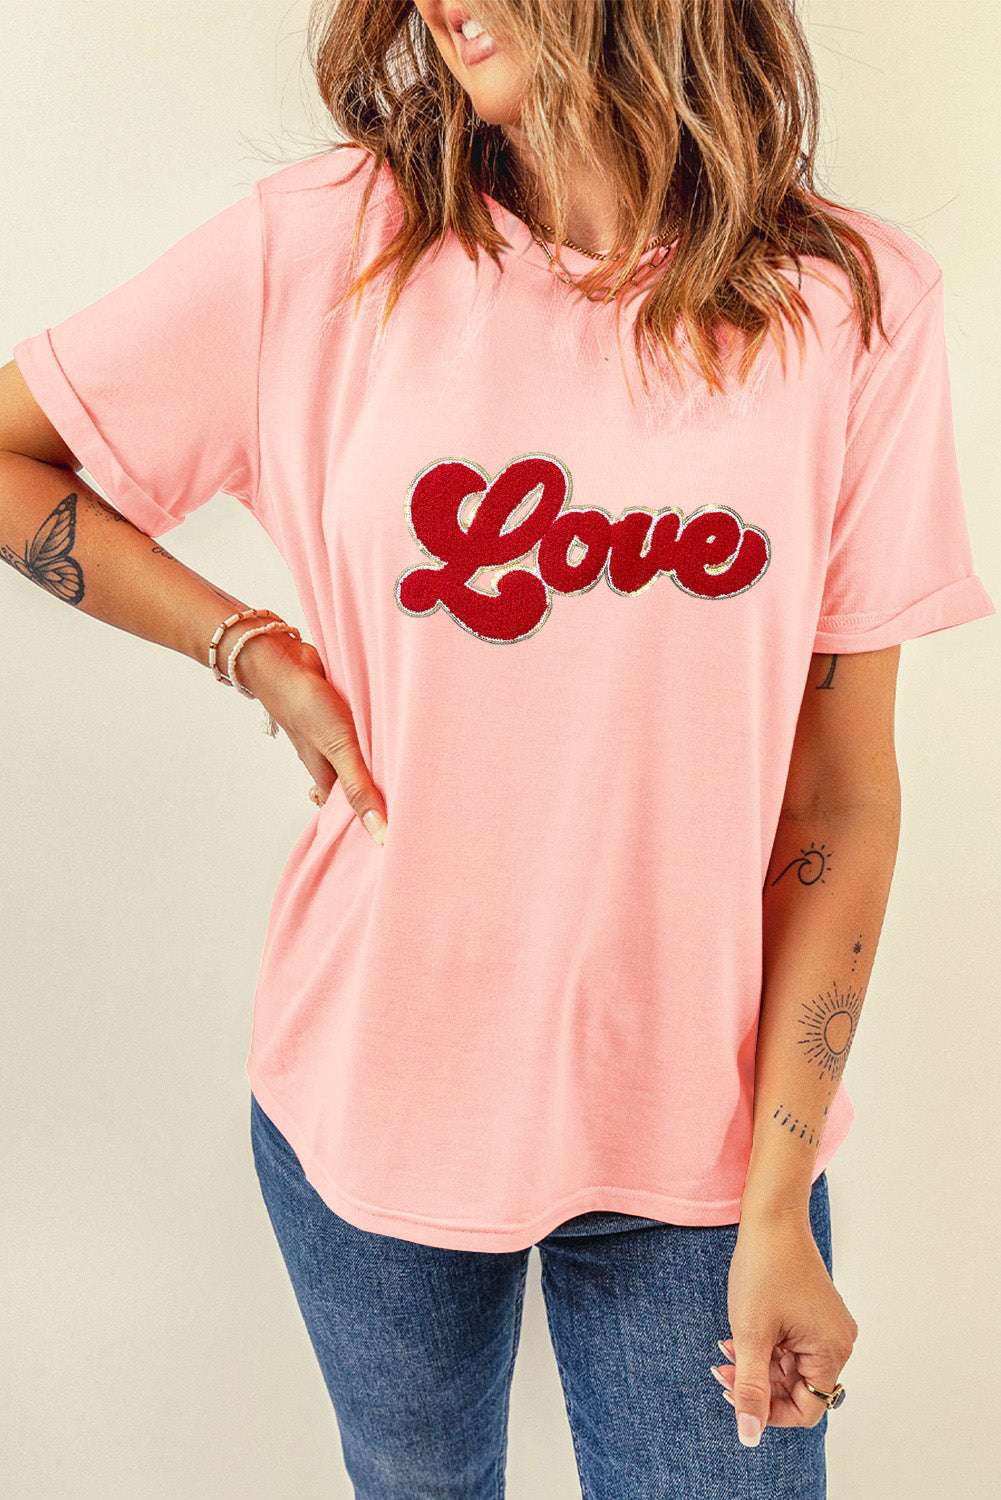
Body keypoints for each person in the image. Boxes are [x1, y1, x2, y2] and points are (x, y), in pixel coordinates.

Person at [1, 2, 994, 1495]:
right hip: (371, 1091)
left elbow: (842, 800)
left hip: (703, 1139)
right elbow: (14, 454)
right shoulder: (322, 246)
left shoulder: (850, 304)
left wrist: (779, 1199)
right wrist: (247, 646)